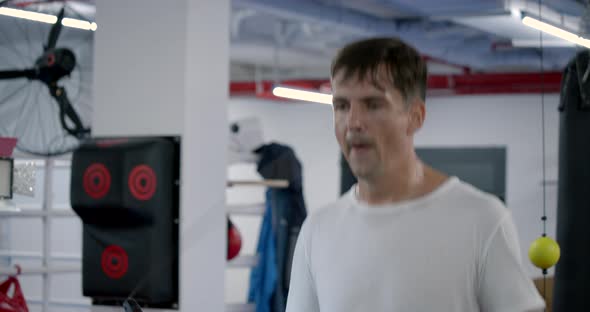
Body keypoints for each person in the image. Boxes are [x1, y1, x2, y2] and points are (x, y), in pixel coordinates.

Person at [285, 37, 545, 312]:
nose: (353, 122)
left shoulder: (482, 220)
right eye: (341, 106)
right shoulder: (318, 231)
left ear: (416, 116)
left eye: (373, 104)